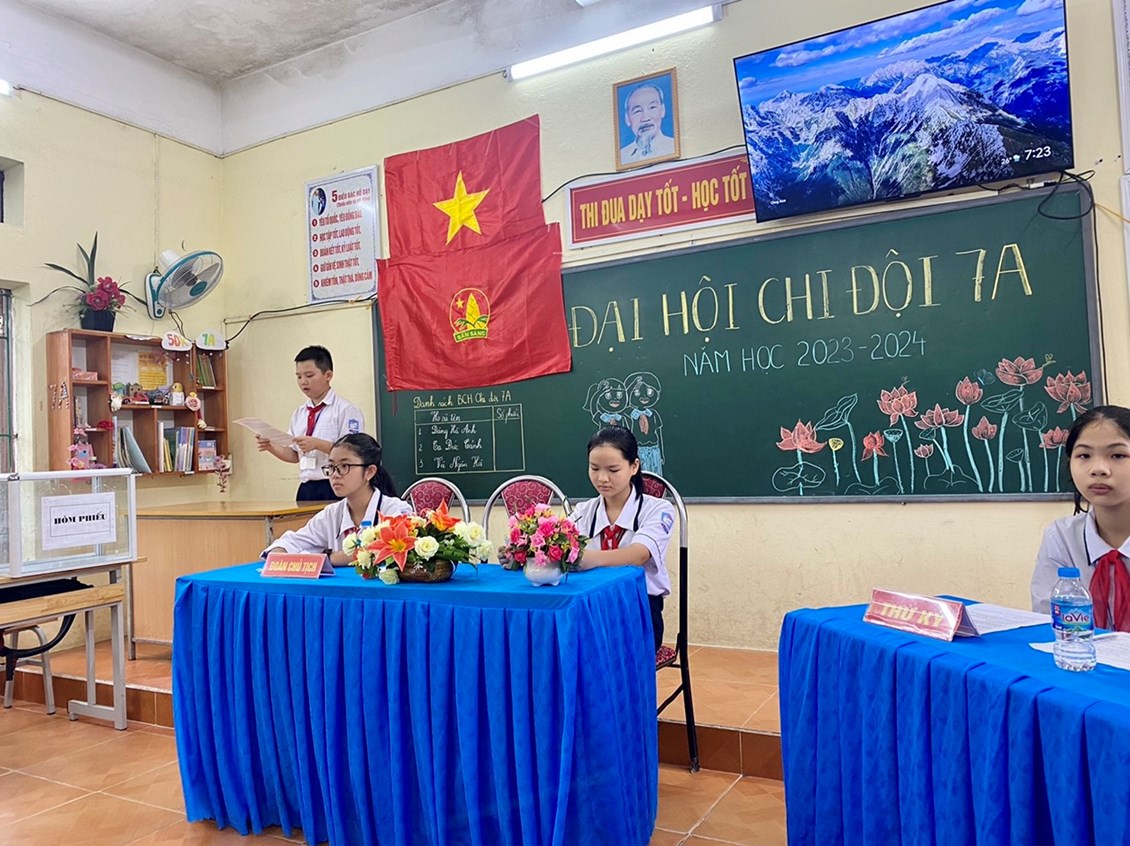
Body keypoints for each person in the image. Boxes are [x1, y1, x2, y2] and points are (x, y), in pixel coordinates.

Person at [568, 426, 675, 652]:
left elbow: (639, 555)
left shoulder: (658, 509)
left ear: (634, 466)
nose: (602, 478)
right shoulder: (583, 512)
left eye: (613, 470)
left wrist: (590, 559)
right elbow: (560, 545)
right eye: (594, 468)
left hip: (639, 607)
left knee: (605, 652)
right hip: (591, 606)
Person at [1031, 405, 1130, 631]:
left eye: (1118, 455)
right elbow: (1048, 621)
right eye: (1084, 455)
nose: (1099, 469)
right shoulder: (1061, 537)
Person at [263, 433, 413, 563]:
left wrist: (332, 558)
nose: (335, 475)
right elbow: (292, 542)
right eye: (331, 467)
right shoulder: (331, 514)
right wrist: (280, 551)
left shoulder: (395, 510)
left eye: (344, 466)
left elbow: (391, 550)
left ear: (369, 472)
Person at [257, 345, 365, 501]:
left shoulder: (345, 410)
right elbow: (294, 455)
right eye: (299, 377)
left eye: (309, 375)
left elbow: (353, 452)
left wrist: (316, 444)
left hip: (335, 485)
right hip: (306, 487)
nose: (303, 382)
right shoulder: (299, 413)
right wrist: (270, 446)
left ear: (328, 375)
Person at [619, 82, 676, 165]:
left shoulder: (673, 146)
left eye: (652, 107)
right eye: (637, 111)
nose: (645, 118)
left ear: (662, 110)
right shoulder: (622, 157)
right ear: (627, 118)